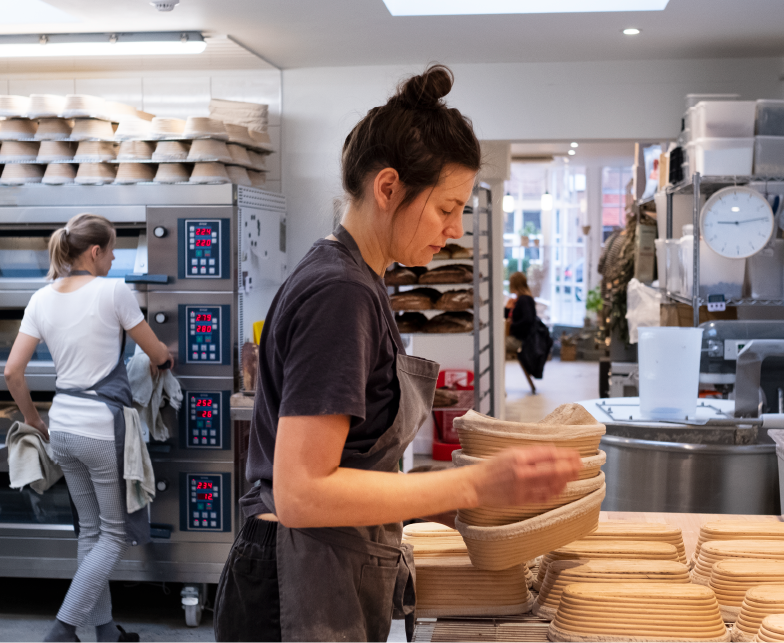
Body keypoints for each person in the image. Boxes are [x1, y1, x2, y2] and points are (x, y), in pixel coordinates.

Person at [213, 65, 581, 643]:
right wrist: (472, 485)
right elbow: (303, 492)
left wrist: (452, 500)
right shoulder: (340, 292)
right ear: (387, 188)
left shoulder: (355, 277)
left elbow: (349, 464)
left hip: (322, 565)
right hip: (296, 583)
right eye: (446, 208)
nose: (455, 229)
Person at [4, 213, 173, 643]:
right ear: (95, 251)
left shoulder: (41, 299)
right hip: (101, 427)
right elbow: (155, 352)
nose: (114, 259)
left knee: (91, 532)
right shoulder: (113, 291)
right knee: (113, 537)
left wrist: (33, 419)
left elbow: (12, 372)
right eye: (112, 251)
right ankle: (62, 630)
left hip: (62, 428)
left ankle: (105, 634)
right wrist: (164, 360)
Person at [505, 271, 541, 393]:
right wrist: (508, 308)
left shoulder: (524, 300)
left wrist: (512, 325)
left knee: (496, 346)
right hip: (521, 338)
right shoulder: (521, 299)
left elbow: (527, 320)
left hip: (521, 340)